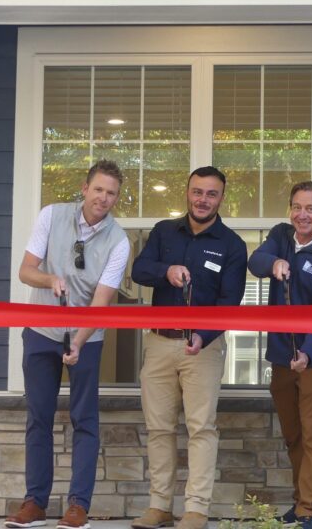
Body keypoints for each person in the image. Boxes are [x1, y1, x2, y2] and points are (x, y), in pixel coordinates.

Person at [5, 160, 131, 529]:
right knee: (38, 417)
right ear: (84, 187)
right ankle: (35, 503)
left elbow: (101, 302)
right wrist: (49, 280)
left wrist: (77, 342)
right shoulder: (52, 215)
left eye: (111, 194)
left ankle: (78, 505)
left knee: (85, 419)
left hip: (86, 338)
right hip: (41, 332)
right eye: (98, 190)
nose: (103, 198)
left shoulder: (118, 241)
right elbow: (25, 270)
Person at [130, 166, 247, 529]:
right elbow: (139, 270)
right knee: (159, 428)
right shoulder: (164, 232)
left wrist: (203, 335)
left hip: (203, 348)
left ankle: (196, 508)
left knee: (201, 428)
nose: (203, 199)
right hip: (159, 343)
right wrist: (165, 271)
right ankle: (159, 506)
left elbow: (231, 302)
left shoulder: (232, 244)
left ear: (221, 198)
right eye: (197, 192)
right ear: (187, 192)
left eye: (211, 194)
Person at [247, 181, 312, 529]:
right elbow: (255, 261)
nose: (302, 214)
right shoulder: (281, 235)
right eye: (296, 207)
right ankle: (300, 502)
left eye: (310, 208)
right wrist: (274, 262)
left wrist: (307, 352)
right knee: (293, 434)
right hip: (281, 356)